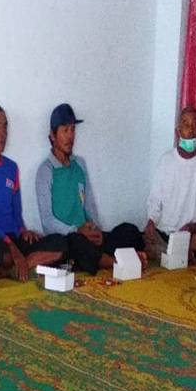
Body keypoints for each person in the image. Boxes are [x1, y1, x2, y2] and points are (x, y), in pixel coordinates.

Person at [36, 103, 145, 273]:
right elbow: (47, 221)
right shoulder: (46, 171)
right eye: (65, 130)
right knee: (75, 245)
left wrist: (97, 231)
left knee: (129, 231)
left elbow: (89, 205)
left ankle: (113, 256)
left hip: (86, 234)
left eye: (73, 130)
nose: (70, 136)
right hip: (68, 238)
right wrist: (76, 230)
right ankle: (117, 262)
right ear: (52, 135)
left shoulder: (79, 164)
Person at [0, 104, 66, 280]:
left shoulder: (11, 168)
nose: (3, 133)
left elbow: (16, 214)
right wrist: (12, 248)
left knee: (61, 244)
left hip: (13, 238)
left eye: (5, 127)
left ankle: (11, 270)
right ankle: (25, 264)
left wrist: (23, 231)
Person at [144, 106, 196, 263]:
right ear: (178, 130)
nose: (190, 130)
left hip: (190, 235)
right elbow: (155, 200)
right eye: (186, 124)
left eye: (194, 124)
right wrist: (151, 221)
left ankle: (171, 254)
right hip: (165, 232)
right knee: (136, 235)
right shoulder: (166, 161)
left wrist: (193, 226)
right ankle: (179, 255)